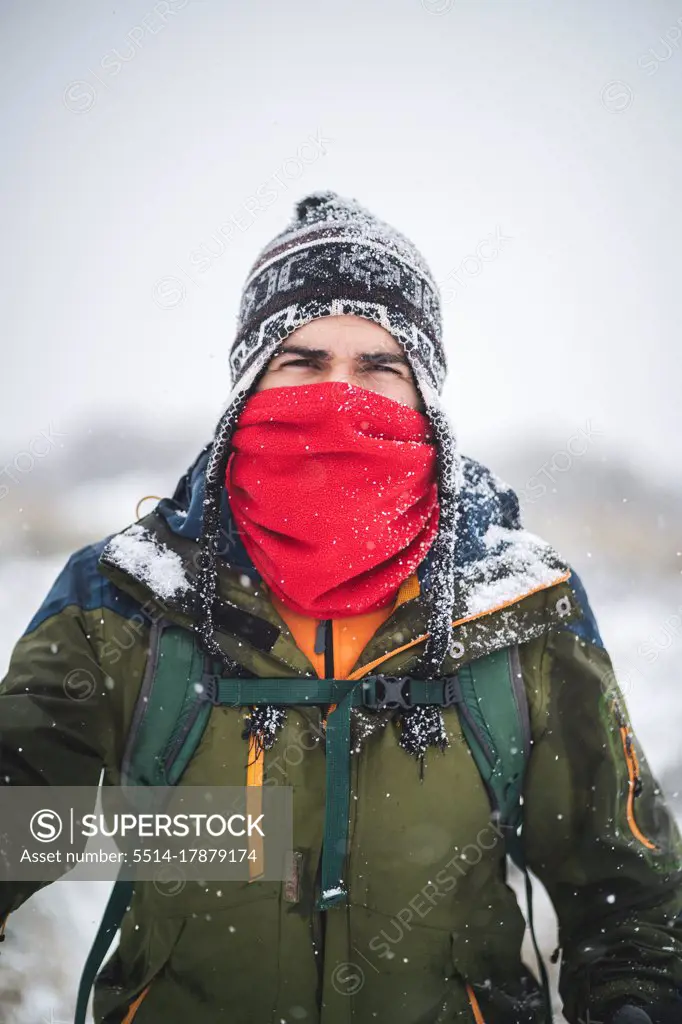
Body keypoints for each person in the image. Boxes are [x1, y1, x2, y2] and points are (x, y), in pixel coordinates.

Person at [1, 191, 681, 1024]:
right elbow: (15, 818)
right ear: (250, 381)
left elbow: (627, 894)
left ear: (425, 392)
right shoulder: (127, 596)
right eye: (302, 360)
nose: (337, 394)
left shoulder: (522, 610)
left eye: (378, 366)